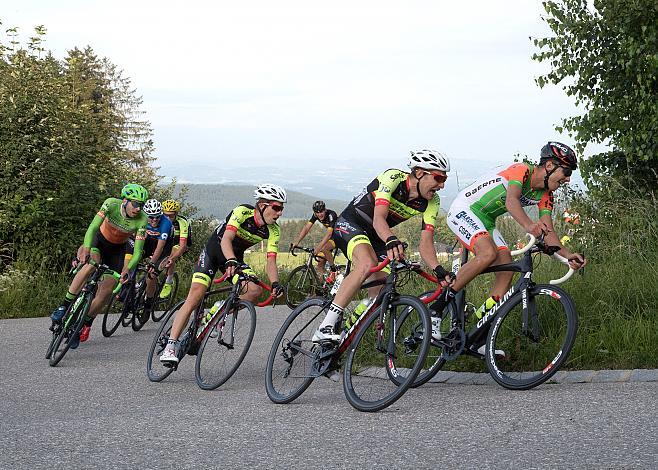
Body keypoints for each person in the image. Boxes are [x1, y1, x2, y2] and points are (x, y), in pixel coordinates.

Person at [435, 141, 587, 354]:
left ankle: (478, 333)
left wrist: (568, 255)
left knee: (506, 269)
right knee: (488, 253)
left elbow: (550, 234)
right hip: (465, 209)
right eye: (566, 171)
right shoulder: (522, 170)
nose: (568, 179)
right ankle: (437, 307)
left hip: (486, 220)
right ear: (550, 166)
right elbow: (512, 201)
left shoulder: (546, 195)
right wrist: (529, 225)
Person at [312, 150, 456, 343]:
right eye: (438, 178)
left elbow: (426, 241)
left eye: (444, 179)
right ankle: (325, 326)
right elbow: (379, 217)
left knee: (382, 289)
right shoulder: (393, 178)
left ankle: (342, 340)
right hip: (351, 224)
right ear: (420, 173)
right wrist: (391, 239)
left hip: (377, 236)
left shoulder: (431, 202)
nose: (442, 185)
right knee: (367, 263)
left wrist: (437, 269)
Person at [159, 184, 287, 366]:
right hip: (214, 252)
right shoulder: (242, 212)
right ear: (262, 205)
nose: (280, 212)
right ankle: (170, 347)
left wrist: (275, 283)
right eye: (277, 207)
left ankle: (219, 309)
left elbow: (271, 260)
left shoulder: (274, 230)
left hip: (234, 258)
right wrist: (231, 261)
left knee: (254, 290)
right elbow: (226, 238)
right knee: (195, 296)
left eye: (282, 208)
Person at [49, 183, 149, 348]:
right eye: (136, 204)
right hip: (98, 242)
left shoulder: (142, 219)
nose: (138, 209)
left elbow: (137, 252)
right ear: (125, 200)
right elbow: (93, 227)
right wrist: (86, 248)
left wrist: (127, 269)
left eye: (141, 205)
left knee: (107, 291)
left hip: (117, 251)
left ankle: (81, 325)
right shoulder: (111, 203)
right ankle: (64, 306)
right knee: (90, 266)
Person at [124, 199, 173, 313]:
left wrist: (152, 262)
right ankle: (129, 290)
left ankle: (148, 303)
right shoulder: (142, 219)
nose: (154, 220)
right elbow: (137, 237)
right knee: (132, 260)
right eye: (151, 217)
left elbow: (160, 248)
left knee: (151, 275)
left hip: (163, 248)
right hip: (149, 242)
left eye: (157, 216)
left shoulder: (166, 224)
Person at [290, 200, 338, 275]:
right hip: (331, 237)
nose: (319, 214)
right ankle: (322, 285)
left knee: (324, 248)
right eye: (317, 212)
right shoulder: (315, 215)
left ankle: (334, 270)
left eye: (321, 212)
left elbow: (329, 234)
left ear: (325, 210)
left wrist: (318, 247)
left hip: (339, 236)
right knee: (320, 264)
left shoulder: (331, 215)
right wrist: (297, 242)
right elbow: (306, 228)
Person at [158, 199, 192, 298]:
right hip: (166, 241)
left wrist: (171, 259)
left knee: (171, 256)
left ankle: (168, 282)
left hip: (180, 244)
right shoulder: (159, 219)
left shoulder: (182, 222)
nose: (168, 218)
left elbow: (183, 245)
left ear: (176, 214)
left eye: (171, 215)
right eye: (166, 215)